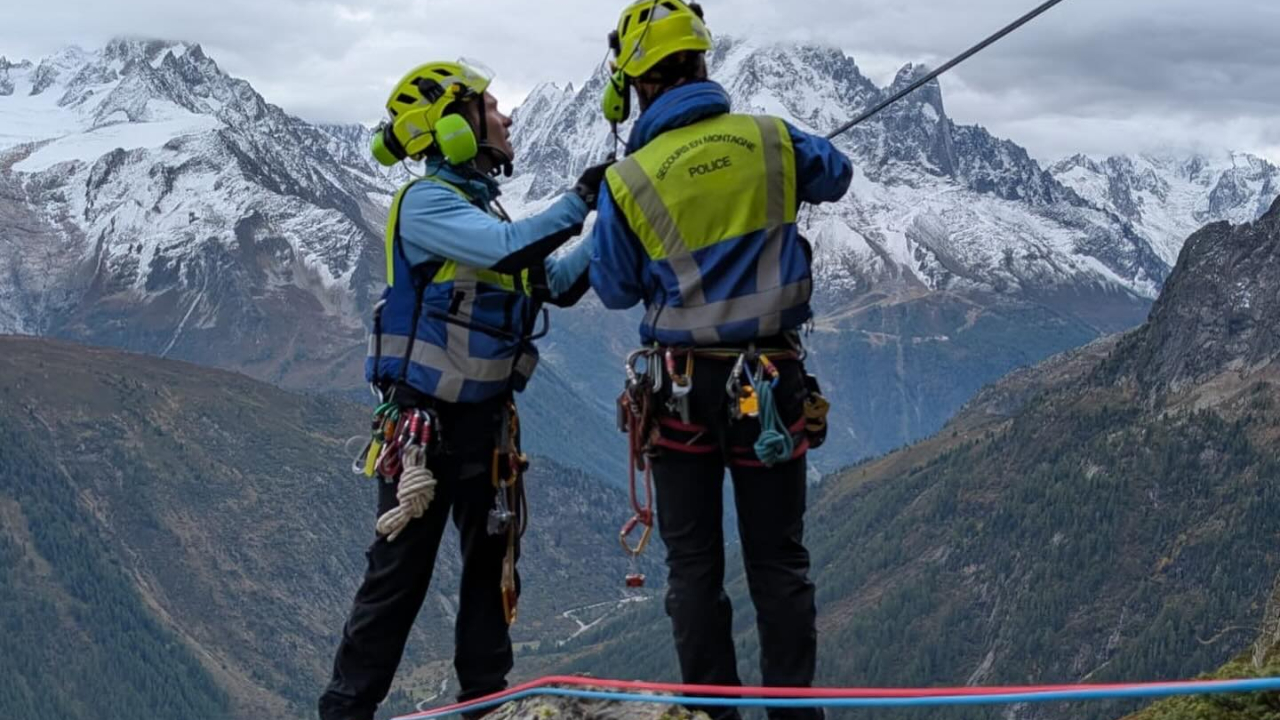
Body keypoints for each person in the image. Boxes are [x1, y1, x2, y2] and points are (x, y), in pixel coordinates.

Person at [319, 59, 611, 720]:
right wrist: (582, 198)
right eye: (493, 107)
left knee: (489, 572)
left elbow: (553, 283)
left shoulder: (480, 207)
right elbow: (510, 250)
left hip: (481, 425)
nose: (507, 118)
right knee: (397, 582)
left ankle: (487, 706)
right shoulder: (427, 206)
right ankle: (344, 710)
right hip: (426, 431)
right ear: (454, 126)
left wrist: (610, 226)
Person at [588, 3, 853, 719]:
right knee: (779, 564)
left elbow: (612, 287)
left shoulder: (629, 181)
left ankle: (709, 715)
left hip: (678, 390)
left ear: (634, 86)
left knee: (694, 569)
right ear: (705, 61)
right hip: (769, 381)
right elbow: (837, 174)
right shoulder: (771, 139)